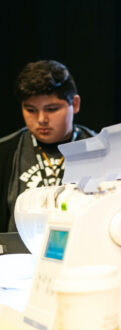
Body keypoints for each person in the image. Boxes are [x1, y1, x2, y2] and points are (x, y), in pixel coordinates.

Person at [0, 60, 95, 233]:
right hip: (19, 258)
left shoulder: (100, 151)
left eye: (51, 109)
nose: (41, 119)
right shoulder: (5, 152)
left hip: (83, 255)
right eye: (31, 110)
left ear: (75, 104)